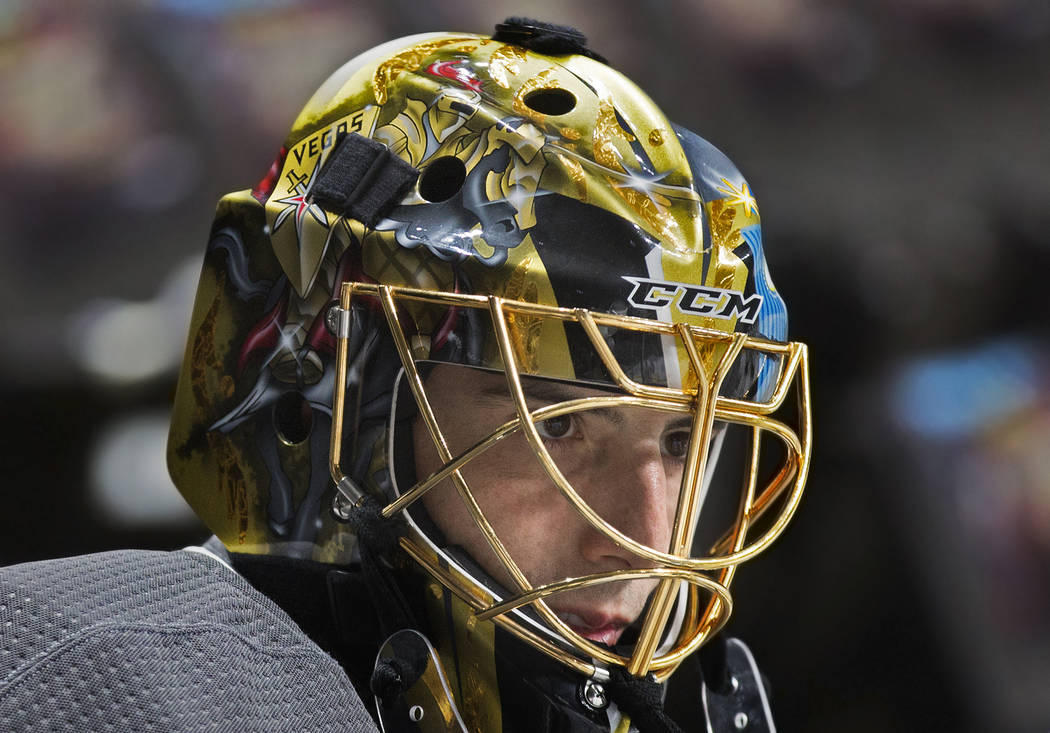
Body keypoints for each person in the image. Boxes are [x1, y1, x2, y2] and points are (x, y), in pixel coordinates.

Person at [0, 19, 811, 733]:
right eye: (560, 426)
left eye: (680, 440)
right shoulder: (106, 677)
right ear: (326, 386)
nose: (643, 542)